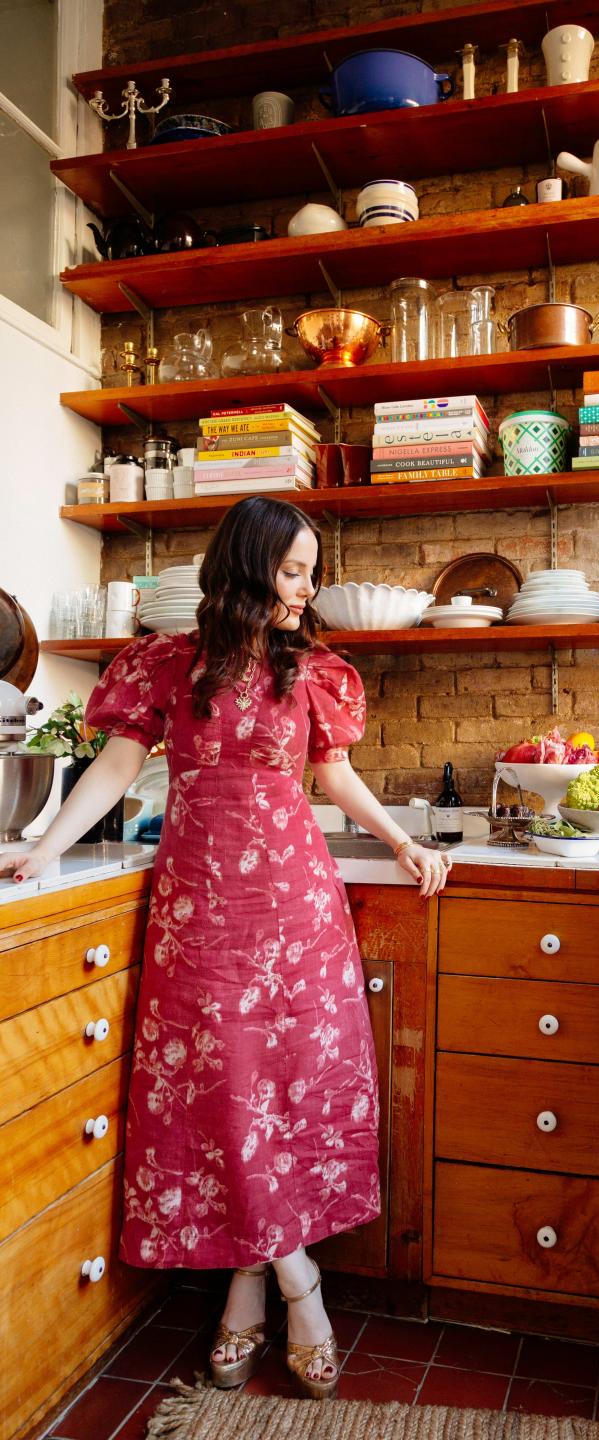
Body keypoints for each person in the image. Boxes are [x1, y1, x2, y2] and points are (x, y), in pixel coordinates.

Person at [0, 497, 452, 1399]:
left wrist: (401, 842)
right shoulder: (164, 663)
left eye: (311, 571)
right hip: (200, 912)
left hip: (297, 906)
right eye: (292, 570)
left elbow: (334, 776)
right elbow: (119, 766)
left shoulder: (315, 670)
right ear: (247, 568)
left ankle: (249, 1281)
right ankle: (300, 1285)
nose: (306, 587)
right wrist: (42, 847)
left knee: (287, 1095)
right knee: (224, 1096)